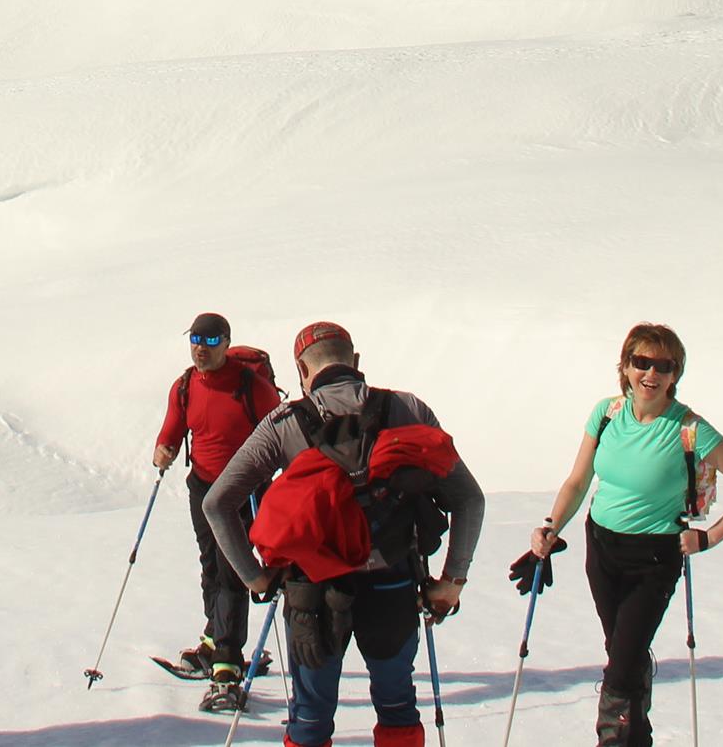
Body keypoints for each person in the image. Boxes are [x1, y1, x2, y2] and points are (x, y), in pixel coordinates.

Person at [205, 322, 485, 746]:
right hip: (393, 581)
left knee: (311, 719)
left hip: (311, 592)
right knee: (397, 708)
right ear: (355, 362)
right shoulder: (407, 409)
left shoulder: (283, 423)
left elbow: (218, 503)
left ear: (301, 369)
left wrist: (254, 578)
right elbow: (468, 498)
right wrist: (452, 581)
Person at [529, 323, 723, 747]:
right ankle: (635, 735)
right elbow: (578, 480)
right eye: (642, 362)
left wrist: (709, 537)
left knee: (622, 666)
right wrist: (551, 527)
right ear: (624, 367)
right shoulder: (606, 414)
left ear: (676, 375)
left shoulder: (689, 429)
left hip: (655, 560)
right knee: (623, 654)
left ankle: (614, 739)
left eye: (664, 366)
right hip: (601, 548)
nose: (651, 374)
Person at [152, 311, 280, 704]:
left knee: (232, 571)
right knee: (211, 563)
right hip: (203, 489)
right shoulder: (186, 386)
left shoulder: (250, 386)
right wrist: (164, 448)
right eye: (194, 340)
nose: (200, 349)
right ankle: (215, 638)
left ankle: (227, 658)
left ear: (226, 343)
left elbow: (279, 428)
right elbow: (174, 425)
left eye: (209, 342)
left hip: (242, 490)